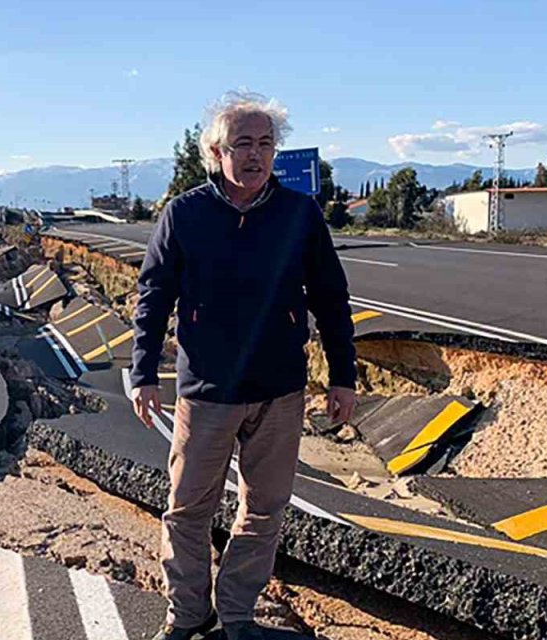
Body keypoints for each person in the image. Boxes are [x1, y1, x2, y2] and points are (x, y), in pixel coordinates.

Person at [130, 91, 357, 640]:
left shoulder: (299, 214)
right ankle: (188, 613)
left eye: (265, 144)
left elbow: (331, 298)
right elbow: (153, 298)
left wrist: (343, 376)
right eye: (242, 144)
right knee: (187, 508)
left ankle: (235, 614)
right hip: (206, 391)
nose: (255, 155)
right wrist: (143, 374)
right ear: (217, 152)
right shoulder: (185, 214)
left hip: (279, 390)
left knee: (264, 509)